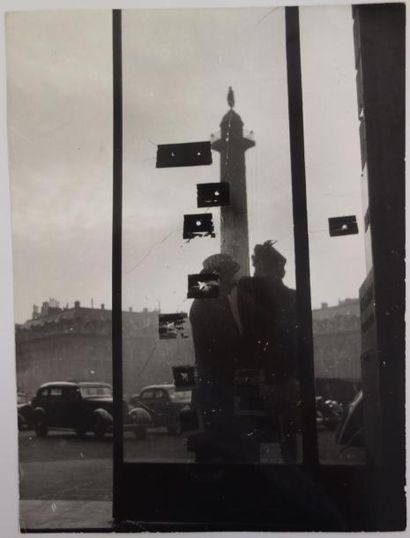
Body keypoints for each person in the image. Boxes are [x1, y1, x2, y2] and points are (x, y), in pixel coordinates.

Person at [237, 241, 300, 463]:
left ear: (261, 265)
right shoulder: (293, 296)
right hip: (287, 374)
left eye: (256, 263)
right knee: (288, 433)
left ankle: (269, 481)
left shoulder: (247, 286)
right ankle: (292, 472)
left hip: (258, 373)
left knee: (263, 432)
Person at [189, 253, 242, 462]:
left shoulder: (206, 302)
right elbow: (227, 345)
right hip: (216, 389)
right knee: (216, 451)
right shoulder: (212, 305)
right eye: (230, 275)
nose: (234, 282)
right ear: (218, 277)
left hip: (211, 388)